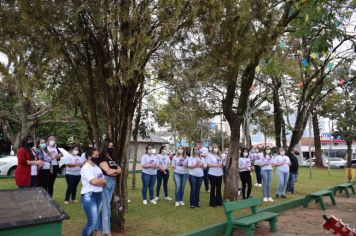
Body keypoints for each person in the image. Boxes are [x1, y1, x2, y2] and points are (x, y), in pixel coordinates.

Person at [94, 140, 121, 236]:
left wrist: (114, 171)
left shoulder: (112, 157)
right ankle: (107, 231)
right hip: (105, 182)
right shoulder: (101, 157)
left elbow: (120, 170)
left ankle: (98, 231)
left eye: (112, 145)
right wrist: (115, 171)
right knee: (106, 208)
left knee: (104, 208)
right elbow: (108, 171)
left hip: (112, 182)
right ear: (105, 146)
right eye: (109, 146)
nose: (111, 147)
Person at [81, 148, 106, 236]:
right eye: (95, 155)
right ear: (89, 157)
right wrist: (99, 182)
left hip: (98, 195)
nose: (97, 157)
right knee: (92, 222)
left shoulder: (97, 167)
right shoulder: (86, 168)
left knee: (93, 222)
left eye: (97, 155)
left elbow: (104, 181)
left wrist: (99, 182)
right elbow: (94, 182)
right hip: (89, 196)